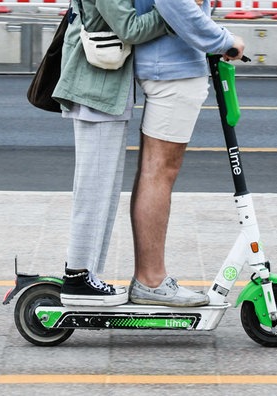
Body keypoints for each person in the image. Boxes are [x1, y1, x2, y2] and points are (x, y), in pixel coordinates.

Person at [128, 0, 246, 307]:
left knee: (154, 171)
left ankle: (149, 278)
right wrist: (225, 40)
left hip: (166, 65)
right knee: (159, 171)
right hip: (172, 69)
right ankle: (151, 280)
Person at [51, 0, 167, 306]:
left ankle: (87, 275)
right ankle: (77, 276)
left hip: (104, 91)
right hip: (94, 92)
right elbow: (129, 28)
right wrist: (171, 13)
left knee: (103, 192)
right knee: (92, 192)